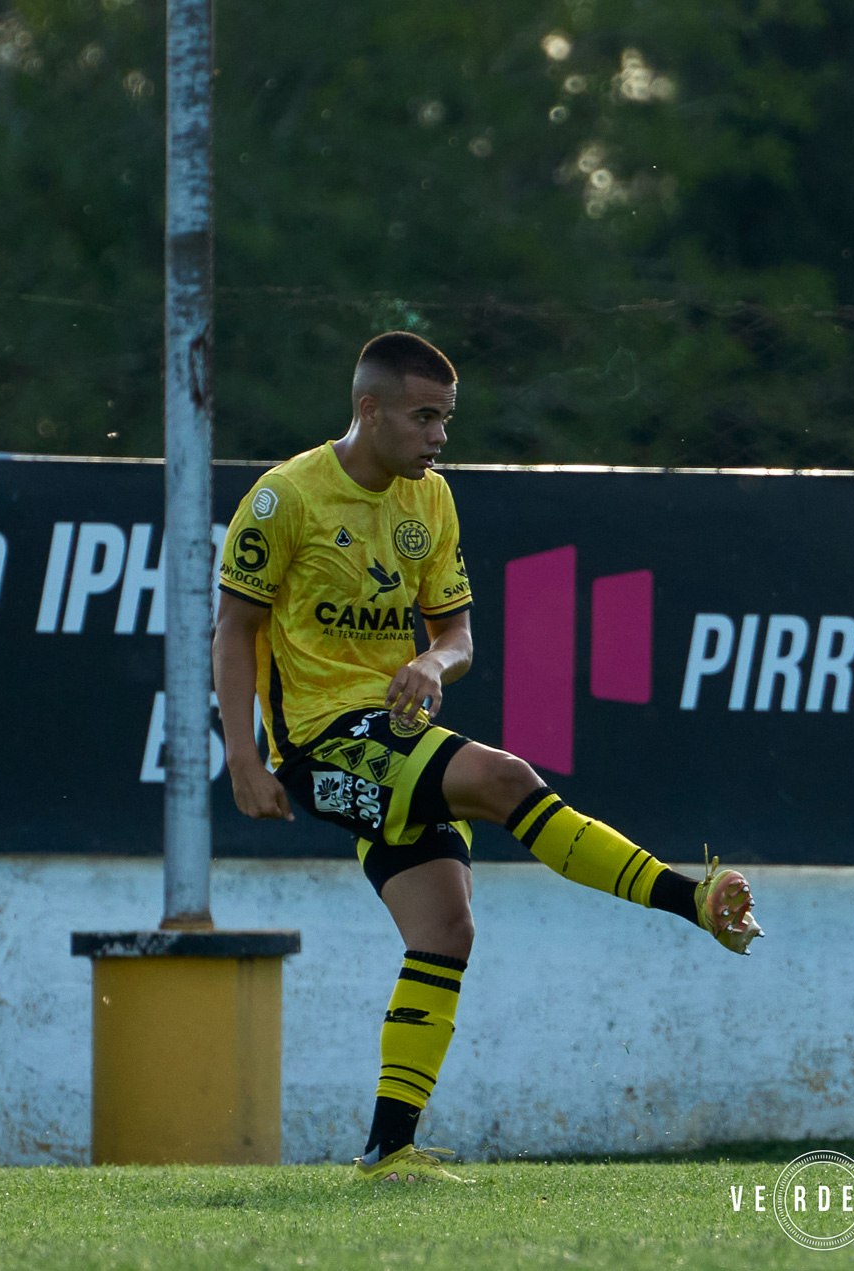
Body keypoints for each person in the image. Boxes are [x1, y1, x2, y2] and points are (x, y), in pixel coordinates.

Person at [212, 331, 763, 1184]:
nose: (438, 435)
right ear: (369, 409)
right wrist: (244, 758)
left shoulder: (429, 501)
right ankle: (688, 898)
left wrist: (434, 661)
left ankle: (386, 1153)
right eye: (423, 416)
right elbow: (234, 629)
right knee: (507, 778)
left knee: (445, 929)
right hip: (322, 745)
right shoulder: (285, 500)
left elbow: (459, 633)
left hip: (390, 736)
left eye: (447, 418)